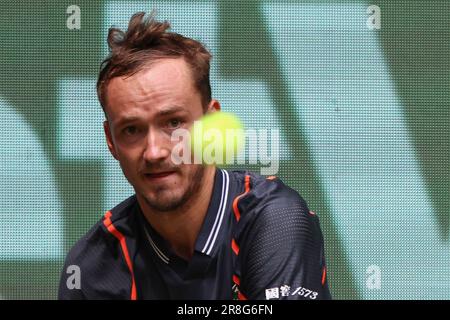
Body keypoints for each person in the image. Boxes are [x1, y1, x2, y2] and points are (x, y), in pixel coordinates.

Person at [58, 11, 331, 300]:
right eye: (131, 130)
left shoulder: (275, 219)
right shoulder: (92, 266)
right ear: (111, 141)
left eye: (174, 123)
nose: (154, 152)